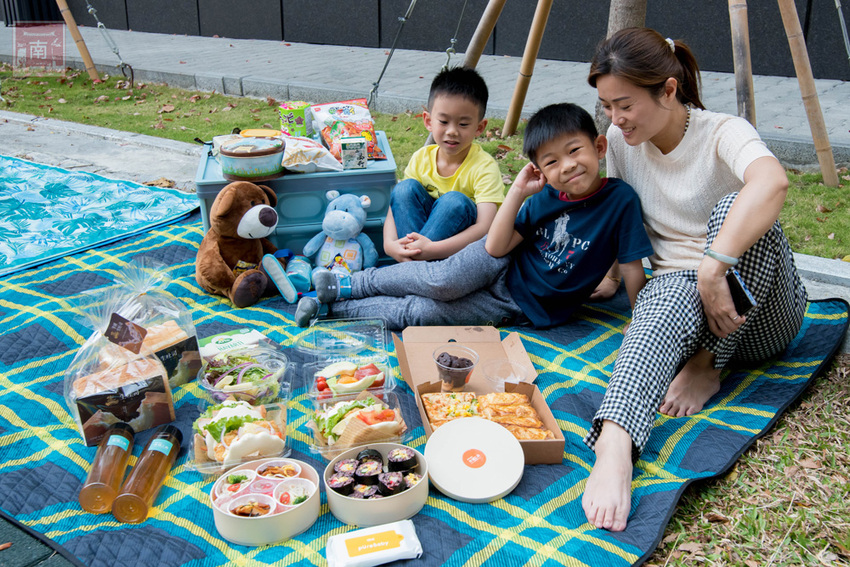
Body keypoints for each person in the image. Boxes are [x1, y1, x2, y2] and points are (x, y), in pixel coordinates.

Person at [580, 27, 808, 533]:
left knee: (739, 211)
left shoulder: (724, 130)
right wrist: (616, 275)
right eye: (606, 106)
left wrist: (714, 264)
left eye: (625, 104)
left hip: (764, 312)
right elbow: (619, 216)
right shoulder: (620, 141)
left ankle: (710, 364)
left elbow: (773, 182)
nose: (615, 120)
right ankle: (615, 449)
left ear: (667, 89)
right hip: (681, 300)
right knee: (658, 305)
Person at [294, 102, 653, 331]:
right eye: (552, 161)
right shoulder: (545, 196)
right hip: (499, 262)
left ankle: (333, 311)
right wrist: (518, 192)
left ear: (599, 147)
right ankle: (344, 285)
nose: (568, 166)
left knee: (422, 314)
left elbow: (633, 264)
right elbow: (496, 247)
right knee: (439, 279)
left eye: (575, 151)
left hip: (519, 302)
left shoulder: (620, 201)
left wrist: (638, 319)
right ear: (540, 168)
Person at [383, 66, 505, 263]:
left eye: (463, 124)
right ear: (429, 121)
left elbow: (485, 226)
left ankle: (414, 268)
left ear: (480, 127)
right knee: (404, 189)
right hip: (420, 247)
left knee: (453, 201)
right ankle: (413, 266)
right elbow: (396, 205)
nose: (452, 131)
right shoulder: (421, 158)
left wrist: (432, 249)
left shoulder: (484, 167)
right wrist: (389, 245)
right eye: (444, 121)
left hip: (452, 253)